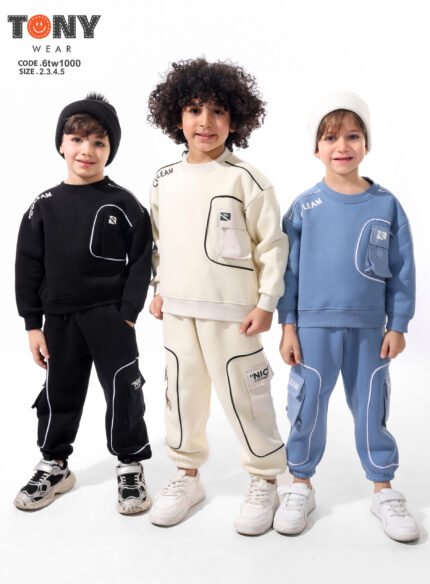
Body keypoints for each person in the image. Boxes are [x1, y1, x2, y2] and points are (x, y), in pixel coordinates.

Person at [147, 58, 288, 535]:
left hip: (234, 314)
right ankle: (187, 476)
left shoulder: (246, 179)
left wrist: (266, 302)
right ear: (176, 116)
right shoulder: (164, 179)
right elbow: (159, 242)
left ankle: (266, 478)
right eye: (194, 110)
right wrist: (160, 290)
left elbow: (272, 245)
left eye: (218, 111)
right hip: (178, 311)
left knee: (247, 395)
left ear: (235, 119)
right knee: (181, 395)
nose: (205, 122)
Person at [275, 91, 419, 542]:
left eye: (353, 136)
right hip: (312, 328)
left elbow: (403, 269)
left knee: (372, 406)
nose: (342, 146)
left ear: (367, 144)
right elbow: (287, 272)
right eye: (331, 137)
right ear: (316, 148)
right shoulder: (303, 207)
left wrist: (398, 324)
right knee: (306, 406)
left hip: (370, 330)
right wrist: (288, 326)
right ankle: (300, 483)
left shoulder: (387, 204)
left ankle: (383, 489)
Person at [14, 93, 153, 515]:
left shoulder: (124, 204)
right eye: (76, 139)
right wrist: (32, 324)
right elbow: (27, 266)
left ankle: (130, 464)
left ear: (110, 149)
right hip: (58, 318)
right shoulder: (43, 206)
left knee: (124, 390)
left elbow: (142, 259)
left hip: (110, 317)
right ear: (61, 144)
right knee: (59, 391)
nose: (86, 150)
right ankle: (55, 464)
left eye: (98, 142)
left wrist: (128, 314)